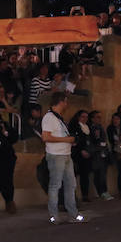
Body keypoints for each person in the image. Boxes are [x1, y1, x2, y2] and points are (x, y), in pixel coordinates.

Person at [41, 92, 84, 224]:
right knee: (55, 185)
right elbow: (46, 137)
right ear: (61, 102)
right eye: (66, 101)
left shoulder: (58, 117)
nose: (67, 104)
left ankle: (73, 214)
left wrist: (70, 141)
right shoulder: (49, 117)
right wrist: (67, 139)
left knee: (71, 185)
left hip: (66, 155)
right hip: (56, 155)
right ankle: (54, 215)